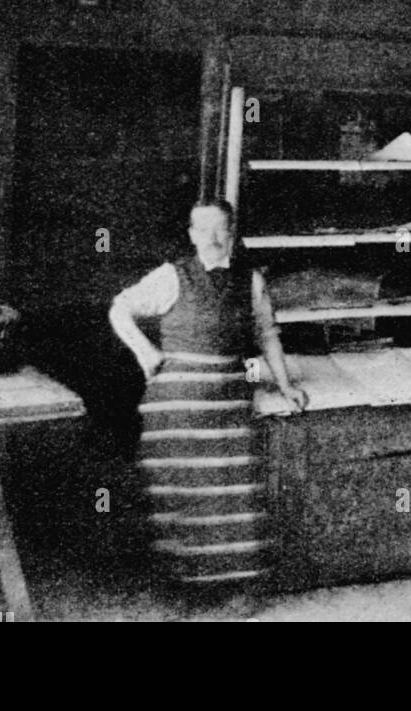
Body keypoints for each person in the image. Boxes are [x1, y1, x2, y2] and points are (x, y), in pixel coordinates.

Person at [108, 198, 307, 599]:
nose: (213, 238)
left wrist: (285, 384)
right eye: (204, 230)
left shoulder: (250, 280)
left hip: (230, 401)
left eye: (221, 229)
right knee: (180, 493)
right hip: (175, 406)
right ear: (191, 234)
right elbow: (120, 309)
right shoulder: (171, 276)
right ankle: (183, 587)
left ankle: (233, 588)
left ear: (233, 233)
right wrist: (148, 356)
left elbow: (267, 332)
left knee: (232, 494)